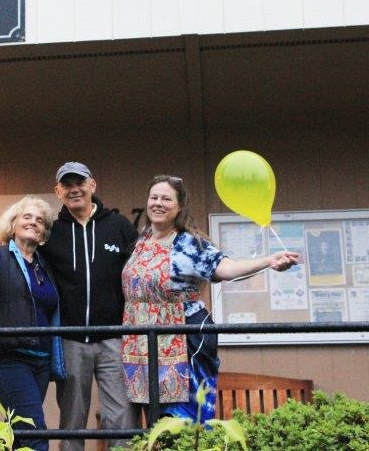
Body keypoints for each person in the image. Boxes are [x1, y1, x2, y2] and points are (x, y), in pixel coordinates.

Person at [0, 162, 140, 449]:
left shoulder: (119, 226)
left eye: (80, 182)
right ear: (58, 191)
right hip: (70, 340)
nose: (74, 189)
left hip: (114, 338)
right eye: (67, 184)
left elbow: (142, 266)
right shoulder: (53, 232)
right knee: (73, 420)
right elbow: (19, 251)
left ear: (92, 185)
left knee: (121, 418)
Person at [121, 175, 299, 422]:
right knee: (152, 421)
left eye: (166, 199)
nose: (158, 203)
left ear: (180, 207)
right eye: (154, 197)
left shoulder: (189, 244)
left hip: (183, 336)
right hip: (142, 340)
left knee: (183, 418)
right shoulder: (141, 241)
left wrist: (268, 261)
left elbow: (227, 268)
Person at [0, 196, 66, 451]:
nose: (33, 222)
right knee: (34, 434)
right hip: (8, 358)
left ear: (44, 233)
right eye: (27, 216)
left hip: (41, 361)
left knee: (20, 435)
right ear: (13, 224)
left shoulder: (44, 266)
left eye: (40, 220)